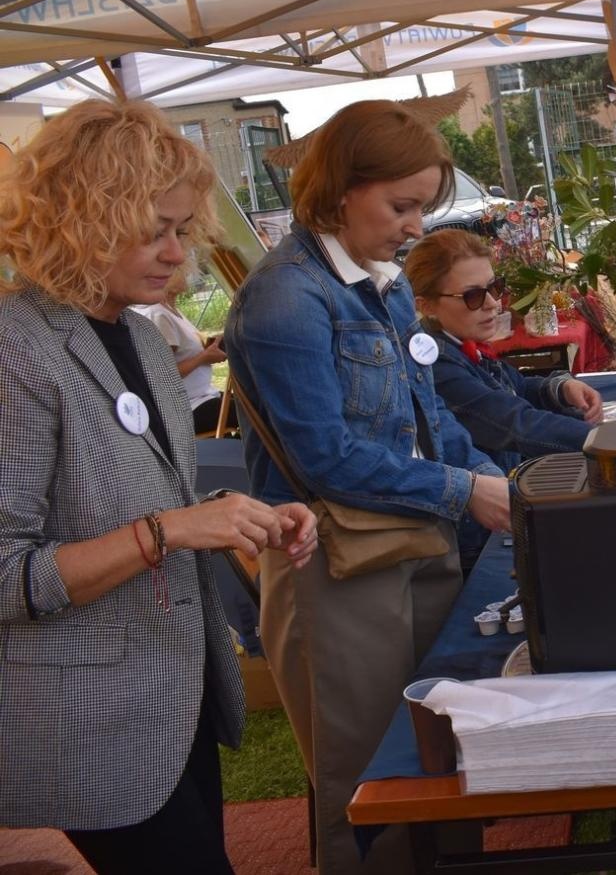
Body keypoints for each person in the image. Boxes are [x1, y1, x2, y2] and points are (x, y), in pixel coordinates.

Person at [0, 99, 316, 874]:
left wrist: (237, 515)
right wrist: (170, 531)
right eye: (155, 231)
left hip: (172, 691)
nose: (178, 253)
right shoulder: (16, 349)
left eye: (182, 229)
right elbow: (7, 572)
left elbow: (137, 502)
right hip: (91, 715)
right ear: (79, 219)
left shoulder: (139, 334)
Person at [225, 99, 511, 875]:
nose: (415, 226)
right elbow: (327, 457)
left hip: (411, 534)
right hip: (330, 560)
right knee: (365, 777)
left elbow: (428, 415)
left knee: (441, 744)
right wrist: (466, 488)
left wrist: (488, 478)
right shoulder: (285, 297)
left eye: (422, 206)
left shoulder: (380, 284)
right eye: (402, 206)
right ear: (343, 189)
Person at [403, 230, 600, 571]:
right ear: (426, 305)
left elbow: (517, 387)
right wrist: (605, 442)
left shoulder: (462, 345)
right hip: (484, 539)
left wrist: (560, 387)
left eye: (495, 288)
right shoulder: (438, 365)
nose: (494, 303)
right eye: (473, 296)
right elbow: (514, 422)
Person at [133, 271, 235, 435]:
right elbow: (163, 374)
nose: (187, 274)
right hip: (188, 407)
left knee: (253, 404)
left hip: (203, 396)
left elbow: (184, 352)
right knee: (255, 413)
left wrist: (210, 346)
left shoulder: (170, 310)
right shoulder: (158, 315)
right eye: (179, 270)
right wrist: (204, 357)